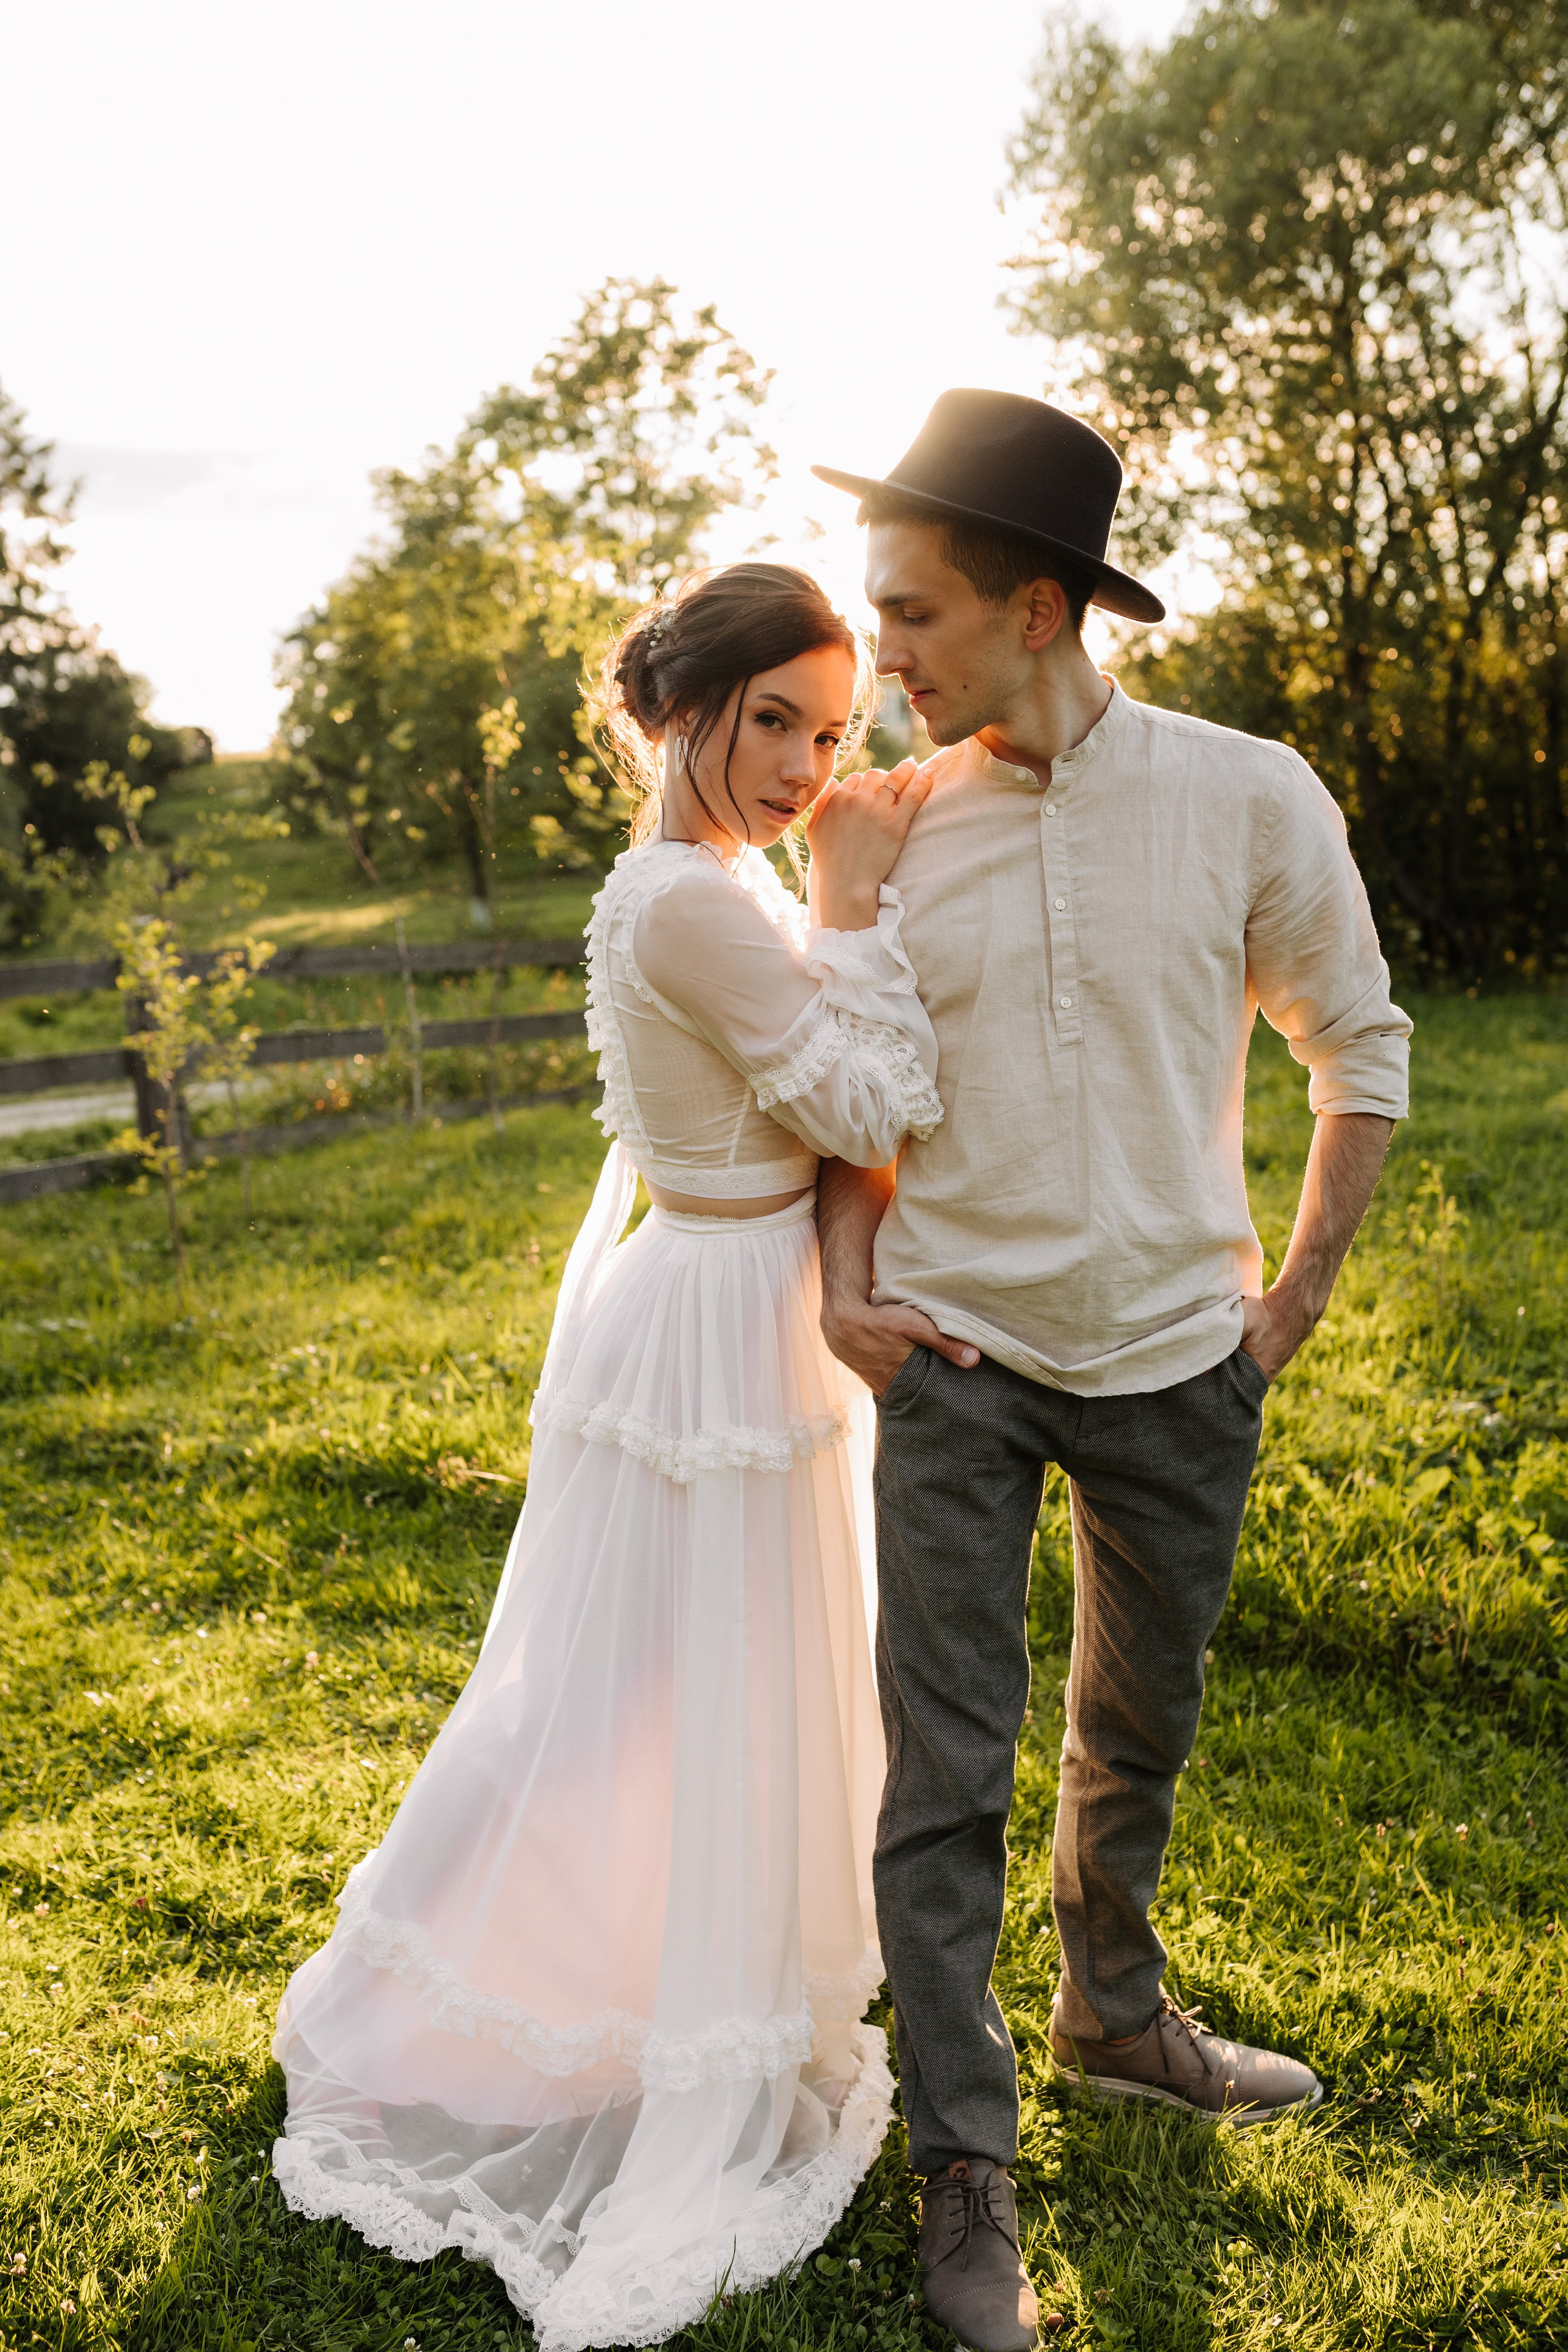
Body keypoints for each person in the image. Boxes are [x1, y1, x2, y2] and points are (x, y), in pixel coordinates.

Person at [271, 562, 948, 2352]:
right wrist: (861, 915)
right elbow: (868, 1105)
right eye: (778, 723)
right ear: (683, 710)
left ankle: (663, 1974)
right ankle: (603, 2009)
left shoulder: (690, 878)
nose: (813, 764)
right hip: (720, 1324)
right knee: (661, 1694)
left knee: (660, 1689)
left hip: (721, 1304)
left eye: (835, 728)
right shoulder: (706, 905)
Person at [811, 391, 1412, 2352]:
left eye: (912, 615)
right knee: (945, 1769)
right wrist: (847, 1272)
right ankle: (961, 2166)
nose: (876, 656)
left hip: (1180, 1361)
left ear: (1043, 607)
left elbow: (1360, 1053)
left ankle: (1112, 2014)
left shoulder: (1251, 794)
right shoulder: (884, 830)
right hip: (961, 1358)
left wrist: (1288, 1309)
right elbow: (844, 1083)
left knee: (1135, 1729)